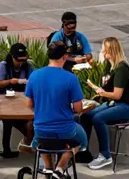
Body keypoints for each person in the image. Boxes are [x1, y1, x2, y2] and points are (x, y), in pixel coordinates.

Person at [24, 41, 88, 179]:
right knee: (83, 141)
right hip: (66, 131)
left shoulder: (34, 76)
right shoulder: (71, 78)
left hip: (41, 131)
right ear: (64, 57)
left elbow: (29, 104)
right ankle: (60, 168)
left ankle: (48, 168)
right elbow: (78, 108)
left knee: (40, 140)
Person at [79, 37, 129, 170]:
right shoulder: (109, 66)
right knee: (85, 116)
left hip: (125, 106)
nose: (101, 52)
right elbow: (107, 87)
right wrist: (96, 88)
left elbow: (117, 95)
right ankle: (83, 151)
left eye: (103, 50)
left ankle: (105, 155)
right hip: (113, 103)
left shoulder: (121, 68)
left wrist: (102, 93)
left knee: (98, 118)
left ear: (109, 51)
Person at [0, 42, 35, 157]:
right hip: (5, 101)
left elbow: (34, 80)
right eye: (18, 60)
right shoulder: (4, 65)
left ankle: (25, 139)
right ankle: (27, 137)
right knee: (8, 118)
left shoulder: (27, 66)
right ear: (11, 56)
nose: (21, 62)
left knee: (15, 119)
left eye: (23, 60)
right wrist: (10, 81)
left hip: (22, 100)